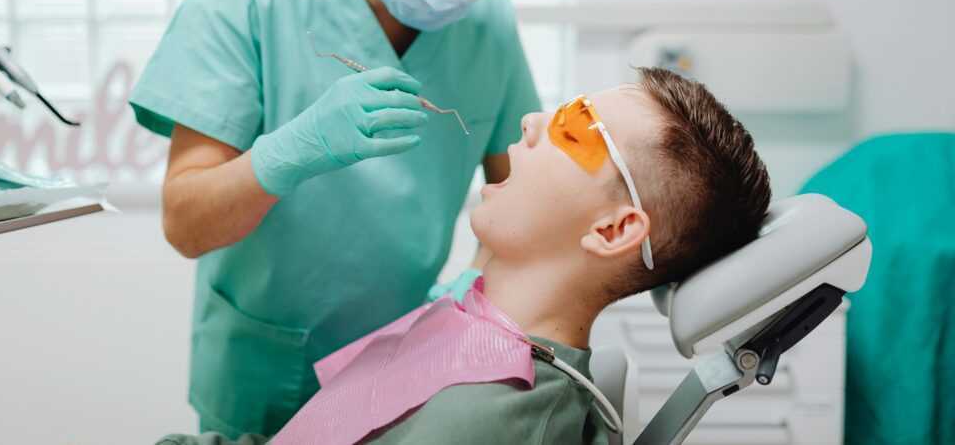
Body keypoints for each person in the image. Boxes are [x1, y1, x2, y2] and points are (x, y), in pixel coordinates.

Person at [129, 0, 539, 437]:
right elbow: (185, 222)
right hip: (264, 366)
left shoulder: (488, 22)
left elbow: (525, 200)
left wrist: (469, 293)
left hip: (410, 367)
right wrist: (286, 154)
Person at [155, 67, 773, 445]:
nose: (533, 120)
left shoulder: (486, 422)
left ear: (613, 229)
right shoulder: (470, 335)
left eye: (575, 129)